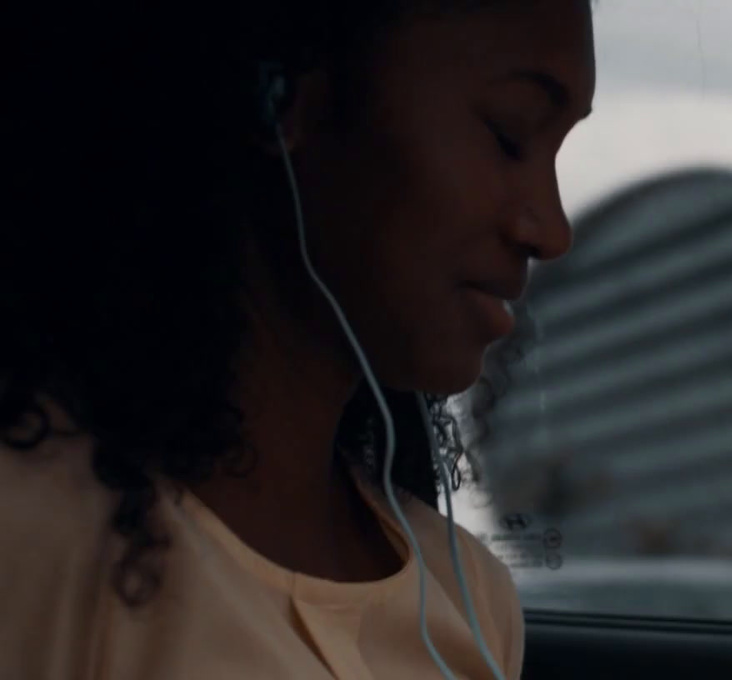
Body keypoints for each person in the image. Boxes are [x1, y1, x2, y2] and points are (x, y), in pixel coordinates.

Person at [1, 1, 594, 678]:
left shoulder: (473, 597)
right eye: (510, 134)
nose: (551, 230)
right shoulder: (35, 537)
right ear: (284, 93)